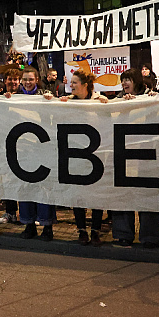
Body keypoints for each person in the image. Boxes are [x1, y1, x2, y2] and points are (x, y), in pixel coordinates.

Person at [110, 68, 159, 248]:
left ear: (137, 81)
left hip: (146, 153)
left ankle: (150, 236)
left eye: (128, 80)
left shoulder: (151, 96)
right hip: (123, 152)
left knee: (147, 193)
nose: (125, 83)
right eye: (123, 80)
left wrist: (150, 102)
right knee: (123, 193)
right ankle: (123, 233)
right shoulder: (118, 99)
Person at [58, 69, 108, 245]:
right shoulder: (67, 102)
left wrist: (106, 105)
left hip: (97, 153)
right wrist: (54, 101)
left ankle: (95, 230)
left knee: (96, 193)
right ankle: (81, 230)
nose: (70, 86)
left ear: (85, 85)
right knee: (77, 193)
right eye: (71, 83)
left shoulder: (99, 100)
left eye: (74, 83)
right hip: (75, 154)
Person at [12, 68, 56, 241]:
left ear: (37, 79)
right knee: (25, 188)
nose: (27, 82)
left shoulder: (45, 94)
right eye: (24, 79)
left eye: (30, 79)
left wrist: (50, 101)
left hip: (41, 146)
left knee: (44, 188)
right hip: (22, 148)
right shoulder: (14, 96)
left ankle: (47, 226)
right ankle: (29, 224)